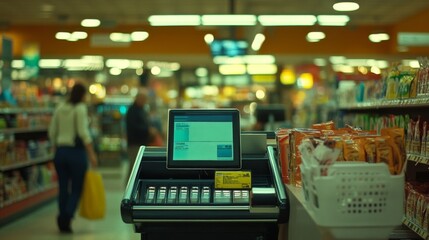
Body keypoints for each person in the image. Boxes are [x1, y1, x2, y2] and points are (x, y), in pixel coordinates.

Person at [48, 82, 98, 233]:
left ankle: (62, 216)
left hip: (61, 153)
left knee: (63, 187)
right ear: (82, 95)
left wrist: (56, 149)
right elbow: (83, 132)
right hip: (76, 153)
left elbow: (52, 132)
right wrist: (92, 154)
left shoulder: (60, 107)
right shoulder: (80, 108)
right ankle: (66, 217)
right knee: (77, 187)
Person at [125, 87, 159, 181]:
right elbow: (134, 127)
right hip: (134, 144)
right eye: (143, 99)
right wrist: (148, 130)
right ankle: (129, 189)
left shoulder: (141, 110)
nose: (145, 101)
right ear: (138, 98)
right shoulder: (132, 111)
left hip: (141, 143)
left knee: (137, 168)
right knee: (133, 168)